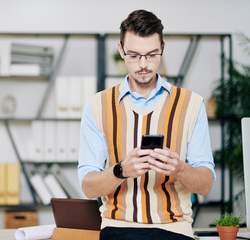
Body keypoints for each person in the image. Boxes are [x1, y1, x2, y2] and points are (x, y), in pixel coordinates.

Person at [77, 9, 216, 240]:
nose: (143, 64)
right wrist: (121, 171)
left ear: (163, 47)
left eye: (151, 55)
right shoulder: (97, 106)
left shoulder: (192, 104)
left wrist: (179, 169)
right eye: (134, 55)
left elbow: (205, 185)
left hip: (174, 229)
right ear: (121, 50)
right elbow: (88, 187)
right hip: (117, 228)